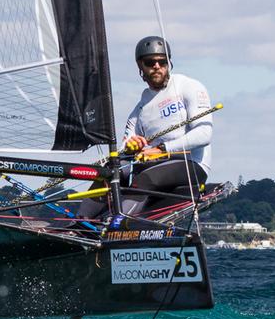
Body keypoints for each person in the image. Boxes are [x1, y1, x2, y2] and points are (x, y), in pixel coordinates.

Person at [79, 36, 214, 221]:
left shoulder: (188, 87)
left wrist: (161, 150)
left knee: (145, 179)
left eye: (162, 61)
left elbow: (204, 134)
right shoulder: (140, 108)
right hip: (154, 163)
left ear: (169, 62)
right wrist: (130, 146)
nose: (157, 66)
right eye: (151, 62)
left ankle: (116, 225)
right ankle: (79, 223)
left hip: (192, 164)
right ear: (140, 66)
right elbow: (124, 147)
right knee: (110, 171)